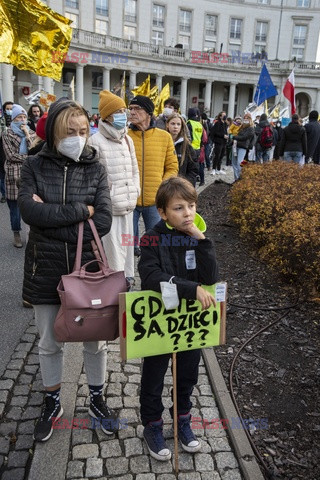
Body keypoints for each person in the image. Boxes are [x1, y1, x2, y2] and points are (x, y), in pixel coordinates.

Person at [18, 99, 115, 443]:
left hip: (87, 271)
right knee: (48, 341)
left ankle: (97, 398)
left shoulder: (96, 167)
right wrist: (80, 210)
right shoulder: (32, 165)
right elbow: (30, 212)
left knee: (95, 339)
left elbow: (101, 220)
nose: (77, 137)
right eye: (68, 131)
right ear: (55, 132)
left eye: (81, 131)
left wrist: (53, 217)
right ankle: (52, 399)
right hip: (43, 267)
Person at [138, 176, 219, 461]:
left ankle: (182, 419)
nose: (188, 213)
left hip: (189, 324)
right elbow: (151, 278)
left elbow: (210, 278)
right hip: (160, 322)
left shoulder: (194, 235)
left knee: (187, 374)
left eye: (192, 206)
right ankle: (152, 425)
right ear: (162, 212)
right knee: (154, 377)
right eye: (179, 208)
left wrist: (202, 241)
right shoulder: (151, 238)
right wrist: (189, 288)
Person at [88, 90, 140, 282]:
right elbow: (94, 178)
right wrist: (108, 196)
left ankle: (127, 283)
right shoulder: (95, 141)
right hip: (110, 210)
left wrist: (135, 190)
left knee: (127, 252)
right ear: (107, 116)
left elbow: (135, 169)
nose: (123, 114)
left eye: (124, 110)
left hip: (128, 205)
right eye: (119, 111)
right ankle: (113, 289)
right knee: (112, 254)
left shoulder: (127, 138)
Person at [127, 95, 178, 257]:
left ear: (149, 112)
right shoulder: (124, 137)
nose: (132, 112)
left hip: (155, 201)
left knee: (156, 245)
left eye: (137, 109)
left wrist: (162, 186)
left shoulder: (164, 137)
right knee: (127, 244)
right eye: (130, 109)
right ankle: (127, 277)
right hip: (129, 201)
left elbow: (172, 167)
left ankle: (154, 275)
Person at [2, 104, 36, 247]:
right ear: (13, 118)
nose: (22, 120)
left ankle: (32, 234)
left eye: (24, 117)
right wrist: (28, 158)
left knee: (31, 205)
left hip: (29, 173)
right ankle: (16, 232)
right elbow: (10, 155)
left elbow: (34, 150)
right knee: (15, 208)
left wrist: (27, 135)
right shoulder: (7, 133)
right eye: (19, 117)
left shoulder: (31, 132)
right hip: (13, 173)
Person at [166, 112, 198, 186]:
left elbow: (193, 169)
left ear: (181, 126)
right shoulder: (162, 143)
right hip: (164, 186)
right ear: (167, 125)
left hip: (180, 188)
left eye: (178, 124)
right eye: (173, 124)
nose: (175, 127)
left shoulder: (187, 146)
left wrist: (185, 185)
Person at [231, 113, 255, 181]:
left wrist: (234, 137)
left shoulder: (251, 128)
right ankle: (236, 179)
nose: (246, 119)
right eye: (245, 118)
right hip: (236, 146)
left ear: (250, 119)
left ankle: (240, 178)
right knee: (234, 163)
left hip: (243, 147)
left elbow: (245, 137)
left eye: (247, 118)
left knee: (240, 163)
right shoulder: (241, 127)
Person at [0, 101, 14, 203]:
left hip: (13, 154)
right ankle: (4, 194)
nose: (9, 111)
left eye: (11, 109)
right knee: (2, 174)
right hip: (1, 152)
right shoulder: (2, 122)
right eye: (7, 109)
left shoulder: (18, 121)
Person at [209, 111, 228, 175]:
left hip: (224, 142)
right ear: (220, 116)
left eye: (225, 115)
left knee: (221, 156)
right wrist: (223, 135)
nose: (225, 116)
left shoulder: (225, 123)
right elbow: (215, 132)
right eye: (223, 115)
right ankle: (214, 169)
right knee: (217, 155)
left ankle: (218, 169)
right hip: (218, 142)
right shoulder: (217, 123)